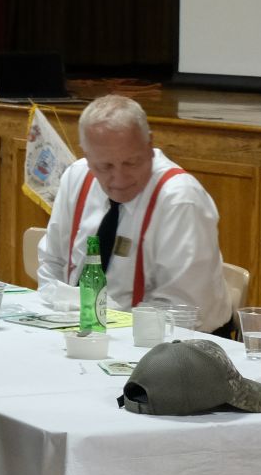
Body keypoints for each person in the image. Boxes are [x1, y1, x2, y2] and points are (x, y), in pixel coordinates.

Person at [37, 94, 235, 334]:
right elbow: (52, 263)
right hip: (86, 330)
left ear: (149, 145)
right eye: (105, 166)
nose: (119, 180)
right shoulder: (76, 177)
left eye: (131, 163)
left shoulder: (180, 200)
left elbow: (184, 310)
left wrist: (111, 326)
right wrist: (62, 312)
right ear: (87, 156)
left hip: (178, 342)